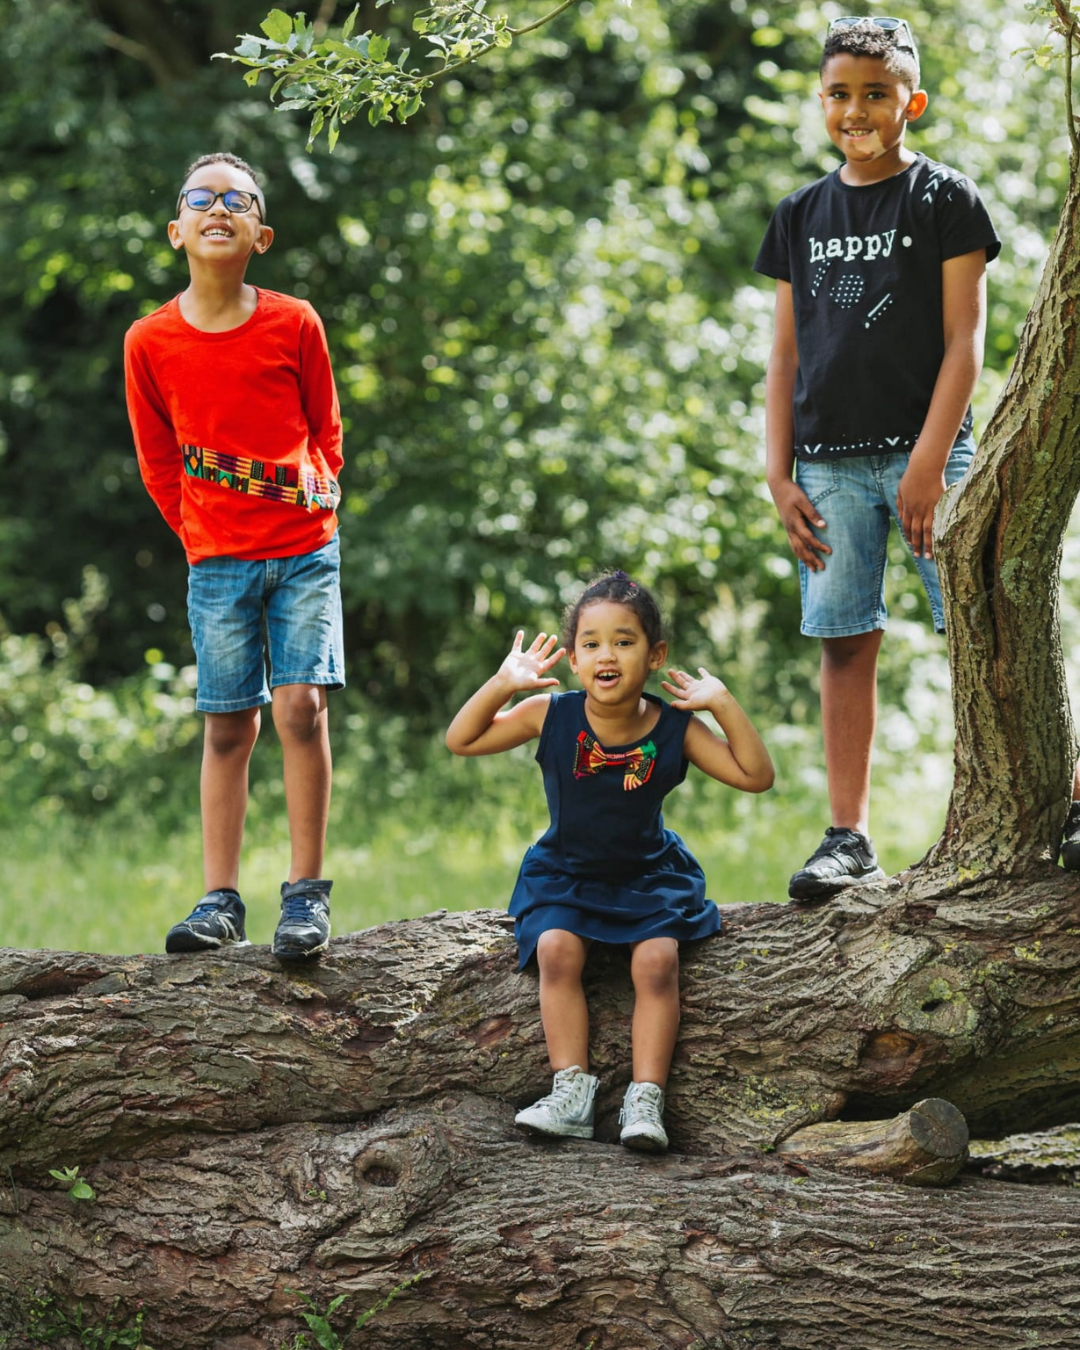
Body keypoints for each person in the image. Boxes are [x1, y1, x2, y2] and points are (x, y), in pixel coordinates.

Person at [754, 17, 1000, 900]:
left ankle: (1065, 795)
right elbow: (785, 355)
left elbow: (964, 342)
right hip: (825, 468)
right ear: (821, 101)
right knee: (844, 643)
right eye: (840, 94)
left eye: (876, 94)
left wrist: (929, 464)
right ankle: (849, 835)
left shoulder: (944, 201)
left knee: (986, 625)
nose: (856, 110)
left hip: (926, 456)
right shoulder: (799, 215)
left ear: (912, 104)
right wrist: (777, 474)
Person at [445, 572, 774, 1151]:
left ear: (655, 655)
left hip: (647, 878)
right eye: (592, 643)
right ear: (573, 659)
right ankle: (570, 1091)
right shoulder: (551, 715)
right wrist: (503, 683)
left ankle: (645, 1100)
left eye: (625, 641)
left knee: (656, 962)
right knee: (556, 950)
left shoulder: (676, 729)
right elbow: (462, 740)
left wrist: (721, 702)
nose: (608, 655)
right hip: (566, 876)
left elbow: (756, 776)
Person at [124, 152, 345, 960]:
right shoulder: (149, 340)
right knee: (227, 727)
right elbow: (156, 459)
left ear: (261, 233)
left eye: (238, 200)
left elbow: (325, 430)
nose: (220, 208)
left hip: (303, 550)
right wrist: (199, 535)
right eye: (202, 198)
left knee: (300, 708)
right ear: (177, 228)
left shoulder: (294, 322)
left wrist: (319, 494)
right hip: (216, 561)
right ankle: (219, 900)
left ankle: (306, 895)